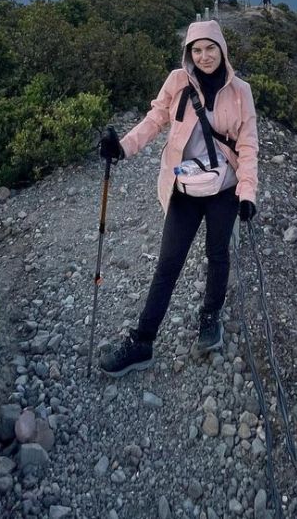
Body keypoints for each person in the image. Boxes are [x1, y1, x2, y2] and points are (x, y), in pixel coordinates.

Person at [96, 19, 259, 376]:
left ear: (223, 50)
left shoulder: (241, 91)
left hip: (224, 189)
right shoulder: (177, 81)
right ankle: (143, 342)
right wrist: (121, 148)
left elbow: (247, 145)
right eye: (196, 50)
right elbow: (155, 120)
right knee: (168, 264)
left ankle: (210, 316)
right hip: (184, 188)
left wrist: (247, 193)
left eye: (210, 48)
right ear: (188, 54)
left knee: (217, 254)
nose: (203, 57)